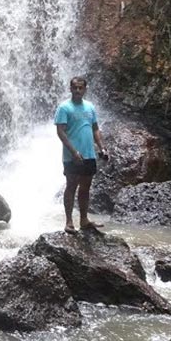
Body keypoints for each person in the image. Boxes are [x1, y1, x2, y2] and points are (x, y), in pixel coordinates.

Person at [55, 77, 107, 234]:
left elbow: (95, 128)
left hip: (89, 153)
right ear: (70, 89)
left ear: (85, 89)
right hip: (72, 155)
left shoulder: (90, 107)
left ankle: (84, 220)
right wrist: (73, 152)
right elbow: (60, 131)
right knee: (71, 185)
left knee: (85, 187)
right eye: (75, 88)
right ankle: (69, 222)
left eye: (81, 88)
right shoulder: (64, 108)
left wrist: (102, 148)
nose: (78, 91)